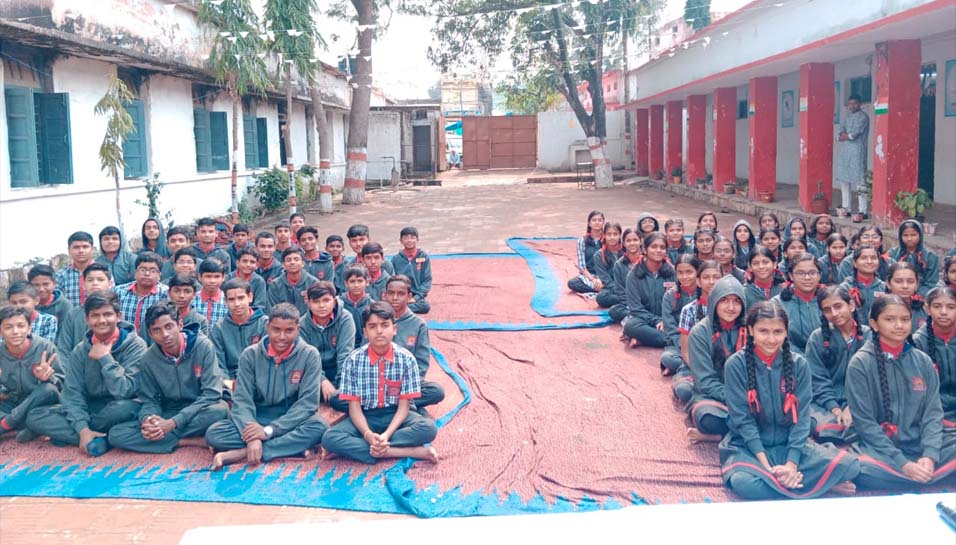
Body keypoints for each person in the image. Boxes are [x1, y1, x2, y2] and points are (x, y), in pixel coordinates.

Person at [719, 301, 860, 499]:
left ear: (786, 332)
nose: (771, 339)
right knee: (744, 483)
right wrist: (767, 467)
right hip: (749, 447)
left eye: (778, 332)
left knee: (851, 466)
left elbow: (802, 419)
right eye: (763, 331)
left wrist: (791, 464)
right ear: (750, 330)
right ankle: (819, 485)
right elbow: (743, 421)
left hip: (789, 445)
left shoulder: (799, 364)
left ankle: (786, 481)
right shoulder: (735, 365)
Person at [847, 294, 956, 488]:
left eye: (905, 319)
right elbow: (864, 423)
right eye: (890, 319)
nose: (899, 325)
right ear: (874, 324)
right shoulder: (860, 363)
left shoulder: (922, 361)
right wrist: (903, 463)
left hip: (918, 441)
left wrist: (930, 455)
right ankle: (920, 476)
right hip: (881, 448)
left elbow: (932, 413)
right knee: (860, 468)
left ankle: (919, 473)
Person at [206, 303, 328, 469]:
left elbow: (307, 404)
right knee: (214, 434)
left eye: (289, 331)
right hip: (257, 417)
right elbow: (242, 400)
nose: (282, 337)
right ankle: (287, 448)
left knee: (319, 427)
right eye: (276, 330)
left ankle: (244, 453)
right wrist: (253, 435)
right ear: (267, 327)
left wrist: (268, 431)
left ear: (298, 330)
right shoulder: (250, 354)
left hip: (290, 419)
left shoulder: (309, 355)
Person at [26, 290, 148, 457]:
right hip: (92, 407)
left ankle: (76, 436)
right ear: (87, 319)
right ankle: (97, 438)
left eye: (107, 314)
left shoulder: (136, 345)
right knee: (35, 416)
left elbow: (125, 391)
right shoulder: (80, 350)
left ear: (119, 316)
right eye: (95, 315)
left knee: (122, 409)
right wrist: (82, 428)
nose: (101, 320)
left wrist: (105, 358)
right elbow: (72, 394)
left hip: (121, 406)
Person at [321, 302, 439, 464]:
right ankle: (408, 451)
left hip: (396, 414)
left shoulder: (406, 359)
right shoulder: (353, 361)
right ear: (365, 332)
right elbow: (354, 408)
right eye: (372, 326)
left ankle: (375, 449)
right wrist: (368, 435)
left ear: (394, 329)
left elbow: (404, 407)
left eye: (385, 325)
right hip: (366, 415)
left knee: (428, 429)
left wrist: (386, 435)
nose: (379, 331)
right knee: (329, 438)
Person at [108, 302, 228, 454]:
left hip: (198, 409)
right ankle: (187, 441)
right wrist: (149, 419)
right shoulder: (148, 359)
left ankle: (163, 438)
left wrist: (173, 423)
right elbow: (150, 400)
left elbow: (212, 393)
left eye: (169, 326)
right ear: (150, 334)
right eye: (157, 330)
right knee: (116, 434)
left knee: (219, 410)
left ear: (180, 324)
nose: (164, 334)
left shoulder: (203, 347)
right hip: (169, 410)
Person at [687, 276, 748, 442]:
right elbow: (705, 381)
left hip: (748, 394)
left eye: (736, 302)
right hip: (713, 396)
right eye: (724, 300)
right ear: (714, 302)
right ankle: (736, 433)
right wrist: (736, 399)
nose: (731, 307)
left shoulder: (750, 328)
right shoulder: (700, 333)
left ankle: (718, 437)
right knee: (708, 418)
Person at [806, 285, 870, 443]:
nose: (834, 313)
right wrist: (834, 408)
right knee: (825, 428)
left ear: (851, 305)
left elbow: (871, 379)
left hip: (862, 401)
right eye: (827, 310)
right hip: (824, 403)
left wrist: (851, 406)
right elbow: (817, 379)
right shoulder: (817, 338)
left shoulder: (869, 336)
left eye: (838, 306)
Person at [384, 275, 445, 414]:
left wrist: (405, 384)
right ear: (385, 295)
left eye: (400, 294)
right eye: (391, 293)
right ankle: (403, 405)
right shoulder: (377, 319)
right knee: (338, 398)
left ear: (409, 297)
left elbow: (421, 363)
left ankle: (390, 404)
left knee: (436, 391)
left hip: (406, 383)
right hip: (378, 380)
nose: (395, 298)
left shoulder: (418, 325)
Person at [0, 306, 61, 443]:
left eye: (20, 326)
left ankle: (6, 425)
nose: (15, 332)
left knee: (48, 389)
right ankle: (30, 426)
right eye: (8, 327)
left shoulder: (45, 347)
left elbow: (63, 385)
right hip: (15, 402)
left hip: (40, 402)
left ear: (29, 328)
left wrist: (48, 378)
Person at [299, 282, 356, 411]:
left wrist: (342, 386)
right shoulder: (302, 325)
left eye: (326, 300)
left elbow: (345, 354)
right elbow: (306, 360)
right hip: (314, 373)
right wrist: (322, 380)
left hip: (339, 371)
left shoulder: (345, 319)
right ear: (309, 304)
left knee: (342, 397)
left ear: (334, 301)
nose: (321, 306)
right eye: (316, 301)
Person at [672, 260, 723, 402]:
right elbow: (685, 352)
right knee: (684, 390)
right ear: (699, 282)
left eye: (716, 277)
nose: (711, 282)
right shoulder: (689, 310)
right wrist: (703, 371)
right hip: (695, 366)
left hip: (723, 368)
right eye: (706, 277)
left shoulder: (730, 309)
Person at [912, 286, 956, 428]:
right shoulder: (918, 342)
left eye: (951, 307)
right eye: (937, 306)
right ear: (927, 309)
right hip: (934, 408)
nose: (944, 312)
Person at [623, 233, 674, 349]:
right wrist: (657, 321)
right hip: (645, 320)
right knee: (630, 325)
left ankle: (645, 339)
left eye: (662, 247)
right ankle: (672, 340)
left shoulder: (673, 273)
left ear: (666, 251)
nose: (658, 250)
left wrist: (666, 321)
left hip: (669, 320)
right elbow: (635, 308)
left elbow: (680, 303)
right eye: (654, 247)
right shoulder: (633, 275)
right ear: (645, 250)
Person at [210, 278, 269, 379]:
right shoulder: (219, 328)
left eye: (241, 298)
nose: (237, 304)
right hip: (229, 381)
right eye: (231, 299)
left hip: (259, 378)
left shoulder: (265, 324)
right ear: (225, 302)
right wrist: (228, 382)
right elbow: (218, 365)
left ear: (250, 297)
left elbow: (267, 361)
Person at [56, 263, 112, 356]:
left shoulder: (114, 313)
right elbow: (63, 348)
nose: (95, 283)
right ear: (83, 285)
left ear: (110, 284)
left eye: (100, 280)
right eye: (90, 280)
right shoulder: (73, 314)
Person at [660, 255, 702, 378]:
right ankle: (693, 367)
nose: (684, 277)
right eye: (680, 273)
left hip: (702, 345)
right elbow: (670, 328)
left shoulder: (706, 292)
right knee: (668, 358)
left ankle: (685, 368)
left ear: (697, 272)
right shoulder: (669, 296)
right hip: (678, 345)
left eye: (689, 272)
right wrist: (684, 345)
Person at [772, 253, 823, 355]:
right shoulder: (777, 304)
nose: (807, 277)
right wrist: (801, 358)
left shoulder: (829, 300)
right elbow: (777, 338)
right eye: (800, 273)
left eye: (812, 273)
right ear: (791, 276)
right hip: (790, 358)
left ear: (819, 275)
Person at [113, 252, 169, 340]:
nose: (147, 273)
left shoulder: (166, 294)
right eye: (142, 270)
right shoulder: (119, 291)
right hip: (124, 342)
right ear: (135, 272)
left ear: (159, 275)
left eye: (153, 271)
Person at [836, 95, 870, 216]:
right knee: (844, 180)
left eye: (855, 103)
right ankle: (846, 208)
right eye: (850, 104)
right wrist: (845, 136)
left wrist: (846, 135)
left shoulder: (863, 117)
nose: (852, 106)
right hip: (846, 152)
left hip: (857, 151)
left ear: (860, 104)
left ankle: (863, 210)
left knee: (860, 181)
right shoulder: (847, 117)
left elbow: (853, 135)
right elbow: (839, 135)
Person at [888, 220, 939, 296]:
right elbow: (887, 277)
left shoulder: (930, 256)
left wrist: (918, 295)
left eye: (913, 235)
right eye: (905, 235)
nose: (909, 238)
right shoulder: (892, 254)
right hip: (897, 294)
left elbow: (931, 282)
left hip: (923, 295)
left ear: (920, 235)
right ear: (900, 236)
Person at [390, 226, 433, 315]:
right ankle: (399, 307)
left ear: (417, 240)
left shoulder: (423, 257)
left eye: (412, 237)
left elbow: (427, 280)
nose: (409, 240)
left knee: (425, 306)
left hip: (416, 295)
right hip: (399, 293)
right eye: (406, 238)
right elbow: (391, 278)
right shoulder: (395, 259)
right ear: (401, 241)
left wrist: (416, 298)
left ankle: (398, 309)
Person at [840, 245, 887, 323]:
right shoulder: (845, 288)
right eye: (864, 258)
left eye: (873, 258)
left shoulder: (884, 287)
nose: (869, 261)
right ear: (855, 263)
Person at [267, 247, 317, 315]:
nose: (292, 262)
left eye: (296, 259)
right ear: (283, 265)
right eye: (288, 260)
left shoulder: (313, 283)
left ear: (303, 263)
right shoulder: (275, 285)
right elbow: (271, 310)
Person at [607, 228, 643, 324]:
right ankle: (640, 316)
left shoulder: (648, 261)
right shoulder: (619, 264)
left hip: (648, 302)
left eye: (635, 240)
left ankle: (639, 317)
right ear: (623, 243)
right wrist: (632, 305)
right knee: (613, 311)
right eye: (628, 241)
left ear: (641, 241)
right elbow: (619, 290)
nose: (632, 243)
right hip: (629, 303)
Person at [567, 211, 605, 295]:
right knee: (572, 283)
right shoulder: (582, 241)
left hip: (605, 275)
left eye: (599, 220)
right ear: (589, 223)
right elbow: (582, 267)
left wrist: (601, 279)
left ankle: (602, 288)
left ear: (603, 222)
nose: (597, 222)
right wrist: (593, 280)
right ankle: (602, 289)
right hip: (589, 276)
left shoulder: (607, 240)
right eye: (594, 220)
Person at [56, 231, 96, 306]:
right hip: (69, 313)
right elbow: (58, 303)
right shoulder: (61, 275)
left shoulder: (104, 272)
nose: (81, 251)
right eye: (76, 247)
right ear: (69, 250)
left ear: (92, 250)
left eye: (85, 247)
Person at [886, 262, 927, 334]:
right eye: (898, 281)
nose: (905, 286)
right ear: (888, 284)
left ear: (917, 284)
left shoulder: (925, 309)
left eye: (910, 282)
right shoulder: (880, 308)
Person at [593, 222, 625, 310]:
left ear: (620, 235)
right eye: (609, 234)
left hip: (628, 284)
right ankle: (629, 299)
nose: (612, 237)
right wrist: (621, 291)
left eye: (615, 234)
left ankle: (630, 298)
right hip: (612, 287)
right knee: (601, 298)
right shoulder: (598, 255)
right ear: (604, 235)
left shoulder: (627, 250)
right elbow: (606, 280)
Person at [341, 265, 373, 346]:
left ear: (367, 282)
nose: (356, 285)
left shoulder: (372, 305)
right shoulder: (339, 304)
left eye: (360, 281)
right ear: (346, 283)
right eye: (352, 281)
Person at [194, 257, 229, 327]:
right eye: (208, 276)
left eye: (217, 276)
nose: (212, 281)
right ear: (200, 277)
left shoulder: (228, 301)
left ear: (223, 277)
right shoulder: (192, 300)